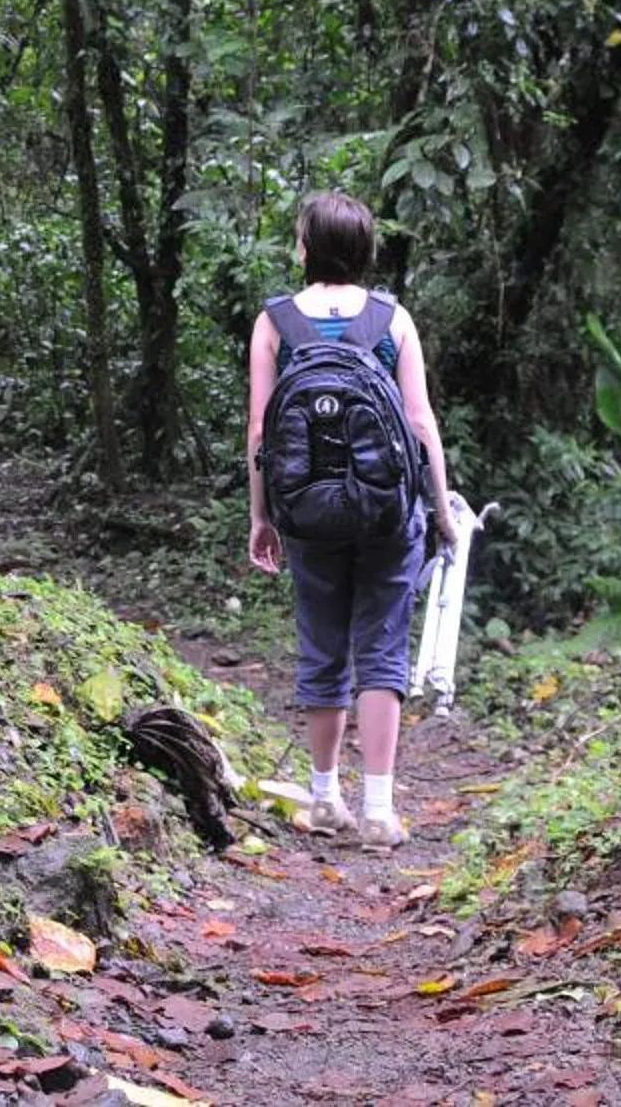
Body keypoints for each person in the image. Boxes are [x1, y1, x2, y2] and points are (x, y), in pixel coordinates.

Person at [246, 190, 460, 846]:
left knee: (322, 647)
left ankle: (322, 799)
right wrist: (442, 510)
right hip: (387, 512)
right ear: (365, 251)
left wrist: (263, 516)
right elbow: (420, 422)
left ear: (306, 248)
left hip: (307, 510)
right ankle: (376, 810)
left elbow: (260, 427)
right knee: (381, 650)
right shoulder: (393, 320)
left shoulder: (275, 321)